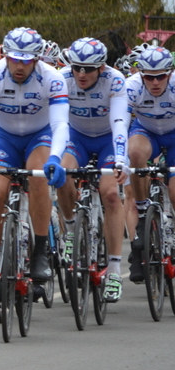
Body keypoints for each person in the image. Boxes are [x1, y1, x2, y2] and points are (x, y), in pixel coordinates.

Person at [0, 27, 69, 304]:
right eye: (14, 59)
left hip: (39, 136)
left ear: (37, 59)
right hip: (5, 137)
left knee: (40, 177)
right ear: (5, 56)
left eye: (26, 60)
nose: (20, 66)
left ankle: (41, 251)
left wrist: (55, 157)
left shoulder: (52, 78)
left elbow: (59, 124)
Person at [56, 38, 129, 302]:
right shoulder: (62, 78)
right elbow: (56, 121)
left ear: (102, 68)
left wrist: (121, 158)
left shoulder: (116, 80)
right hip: (77, 138)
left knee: (110, 193)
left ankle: (113, 270)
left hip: (109, 139)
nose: (81, 74)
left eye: (88, 69)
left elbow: (121, 121)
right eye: (77, 68)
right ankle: (71, 229)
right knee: (61, 173)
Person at [126, 46, 175, 284]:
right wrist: (117, 158)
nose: (154, 82)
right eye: (148, 76)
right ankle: (143, 210)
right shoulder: (132, 86)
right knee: (134, 152)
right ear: (140, 74)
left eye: (160, 76)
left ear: (170, 73)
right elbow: (120, 122)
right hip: (146, 133)